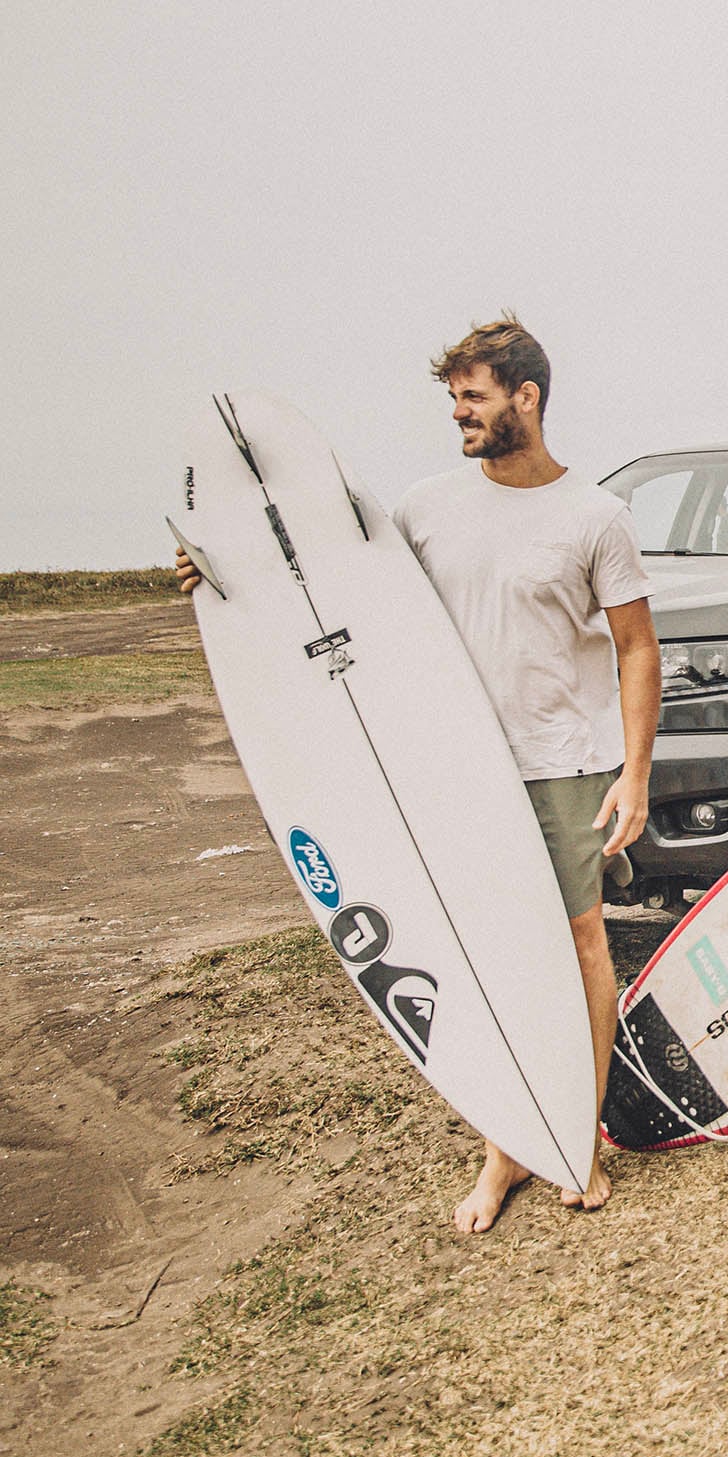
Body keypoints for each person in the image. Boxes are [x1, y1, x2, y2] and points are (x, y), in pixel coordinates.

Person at [179, 316, 660, 1234]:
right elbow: (334, 591)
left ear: (527, 397)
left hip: (559, 764)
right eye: (454, 400)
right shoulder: (425, 507)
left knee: (579, 949)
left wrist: (633, 774)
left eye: (473, 397)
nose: (459, 415)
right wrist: (223, 571)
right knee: (485, 948)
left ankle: (579, 1135)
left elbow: (639, 649)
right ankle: (508, 1149)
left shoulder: (595, 516)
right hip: (451, 765)